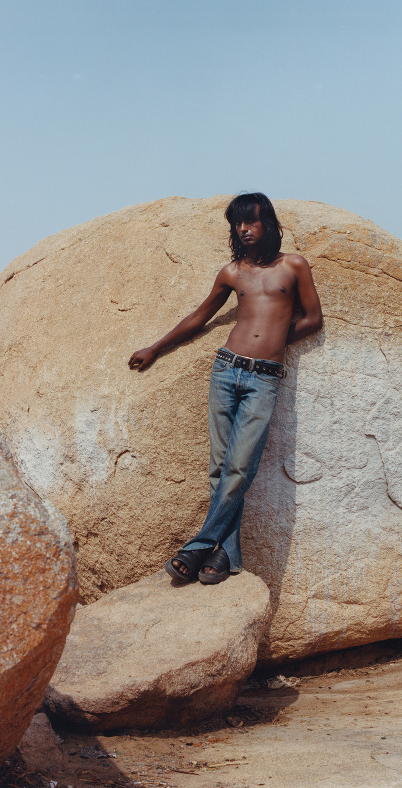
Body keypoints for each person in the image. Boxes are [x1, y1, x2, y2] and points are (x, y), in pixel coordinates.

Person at [129, 193, 323, 584]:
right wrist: (155, 348)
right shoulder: (232, 272)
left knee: (239, 466)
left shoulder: (294, 266)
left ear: (268, 223)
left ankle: (199, 545)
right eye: (238, 223)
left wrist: (274, 340)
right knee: (220, 468)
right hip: (225, 370)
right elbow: (199, 317)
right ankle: (225, 556)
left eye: (251, 221)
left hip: (264, 377)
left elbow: (314, 319)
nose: (244, 229)